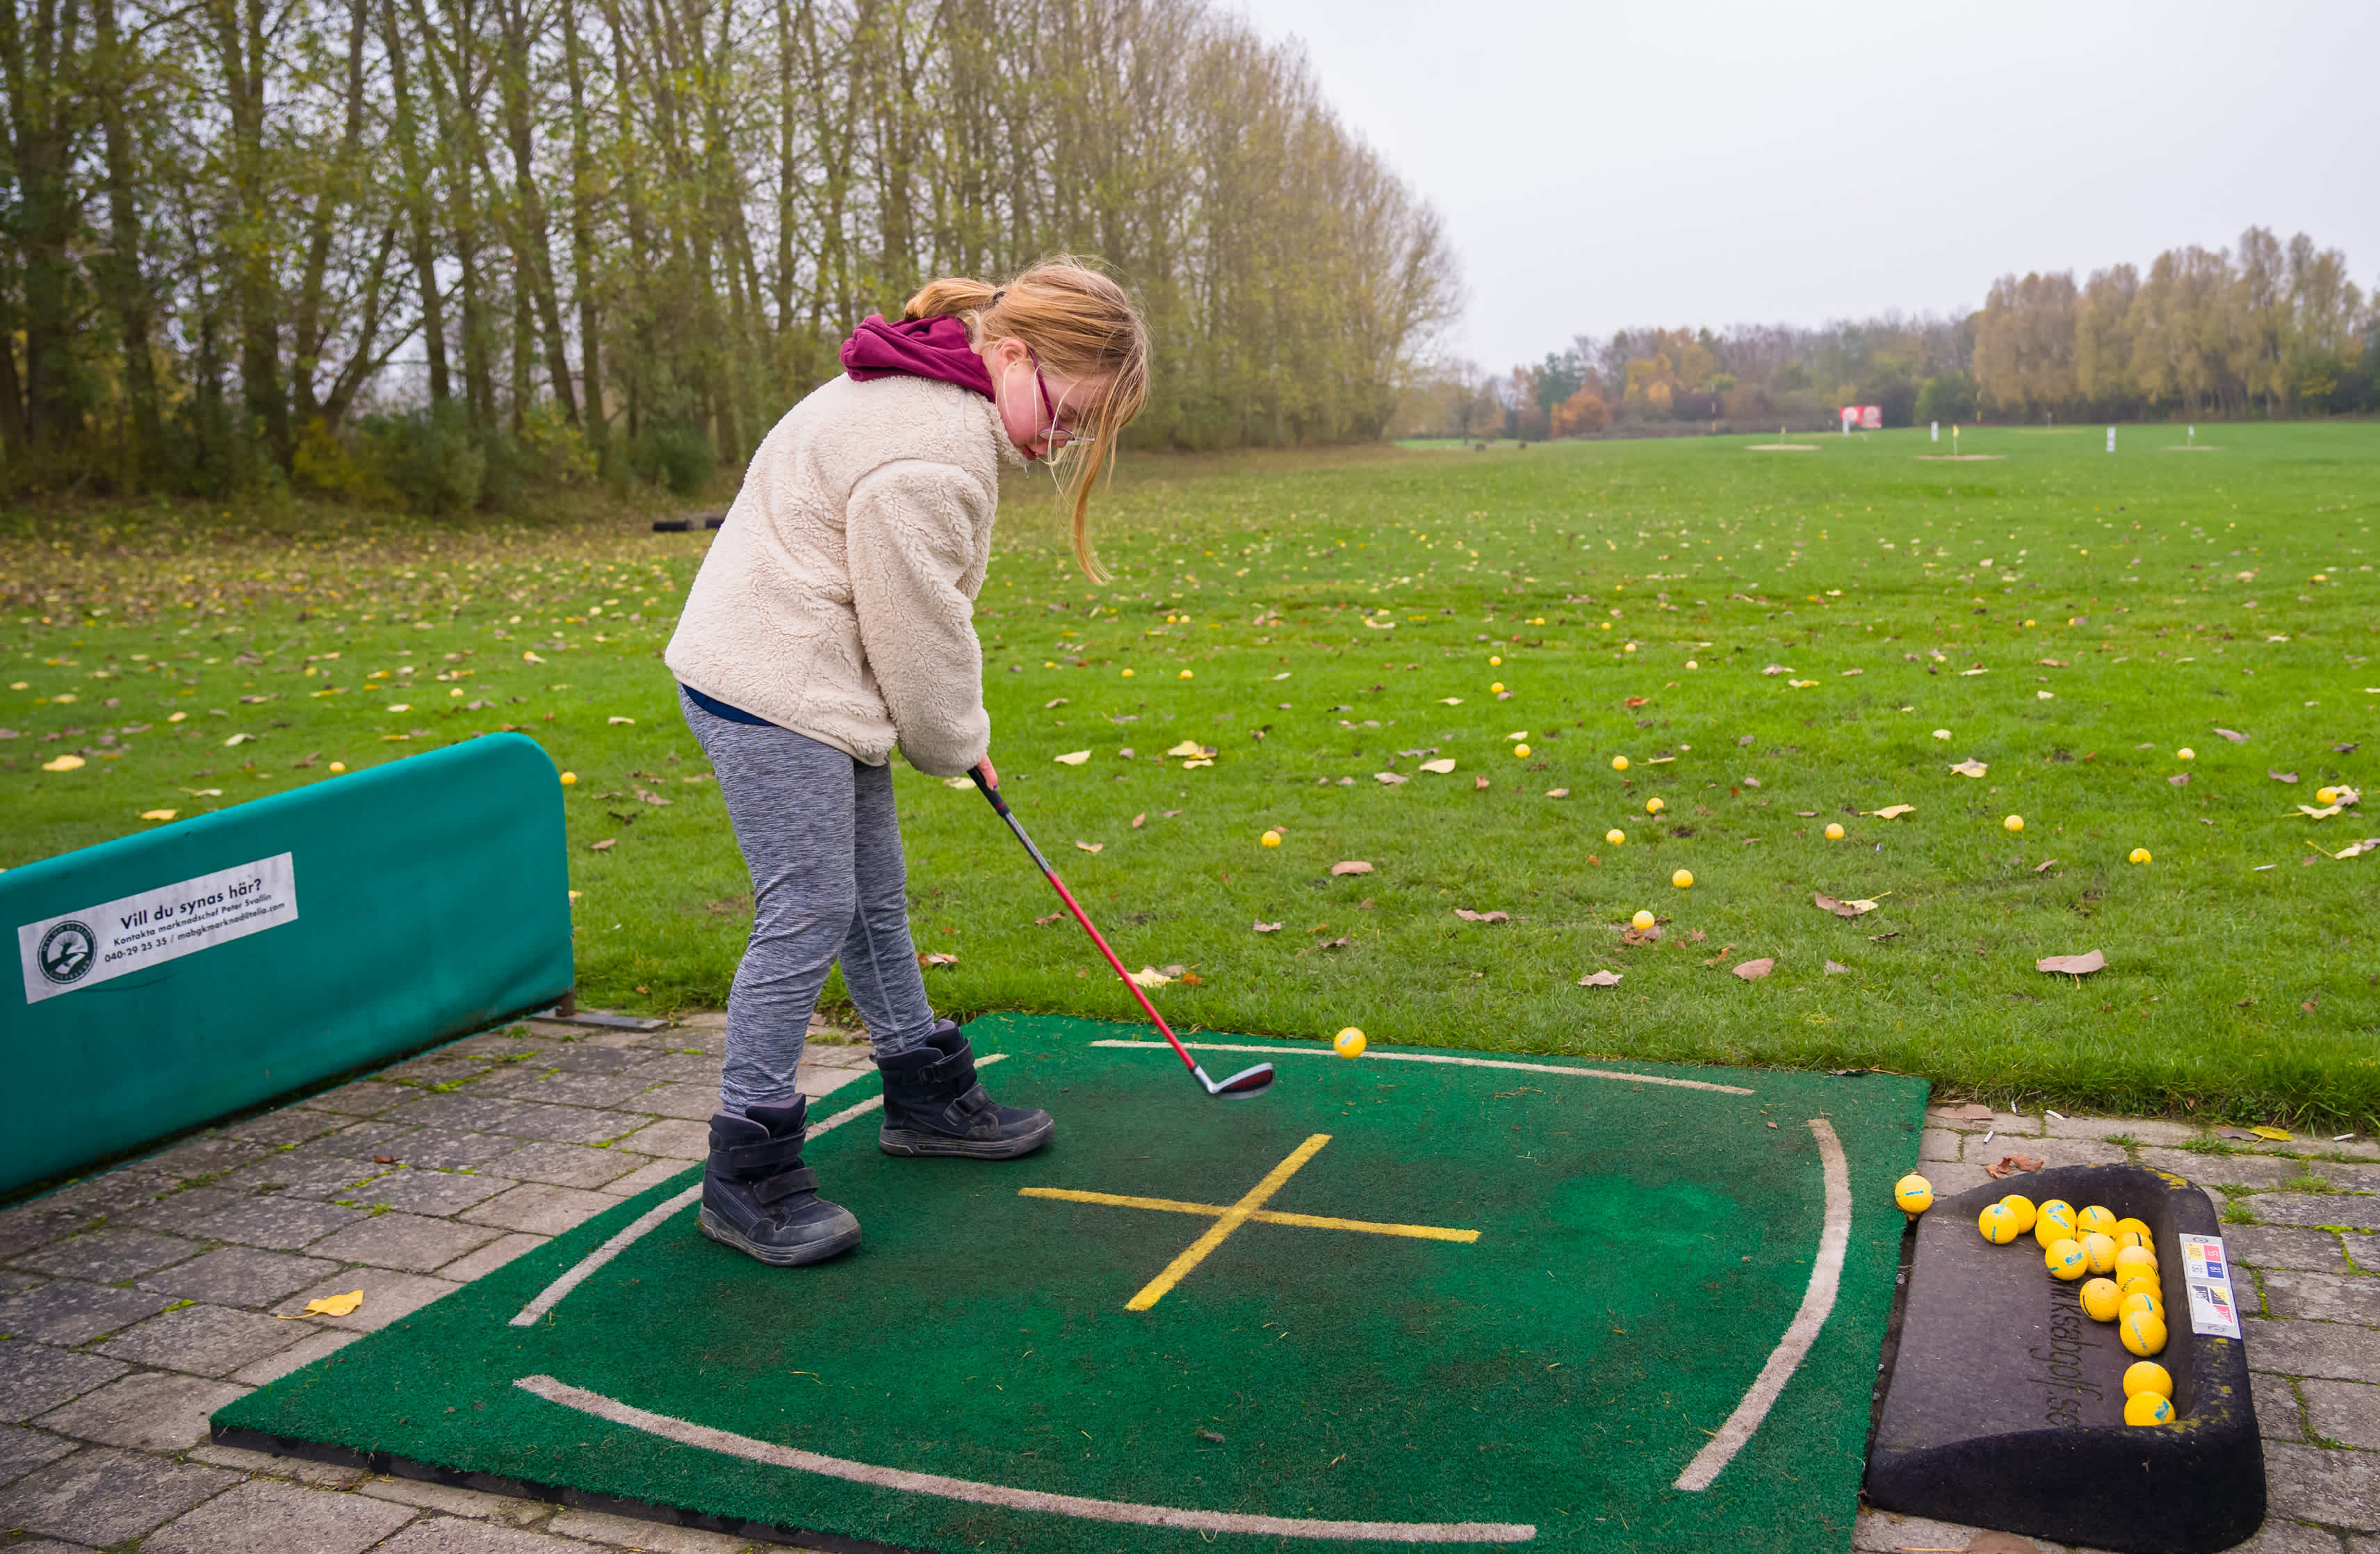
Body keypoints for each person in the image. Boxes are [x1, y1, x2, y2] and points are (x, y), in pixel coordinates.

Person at [663, 260, 1150, 1268]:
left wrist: (947, 729)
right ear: (1011, 355)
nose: (1065, 441)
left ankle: (923, 1093)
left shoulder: (936, 399)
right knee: (807, 904)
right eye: (1068, 412)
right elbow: (920, 635)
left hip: (815, 672)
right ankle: (745, 1166)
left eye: (1085, 429)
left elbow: (909, 632)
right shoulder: (934, 454)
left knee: (871, 897)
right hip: (768, 681)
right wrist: (956, 742)